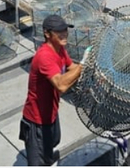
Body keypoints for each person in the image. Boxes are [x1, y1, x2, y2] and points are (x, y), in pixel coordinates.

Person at [20, 14, 91, 166]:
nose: (64, 34)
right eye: (59, 31)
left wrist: (92, 73)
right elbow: (61, 85)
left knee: (54, 139)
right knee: (37, 162)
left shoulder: (60, 49)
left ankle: (48, 156)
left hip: (51, 110)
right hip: (36, 119)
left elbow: (72, 68)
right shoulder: (44, 56)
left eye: (65, 30)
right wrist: (83, 65)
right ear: (47, 33)